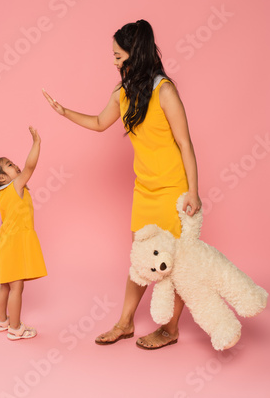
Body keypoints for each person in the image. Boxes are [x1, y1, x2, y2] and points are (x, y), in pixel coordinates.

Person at [42, 19, 201, 349]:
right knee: (140, 260)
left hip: (173, 190)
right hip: (144, 189)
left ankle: (170, 330)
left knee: (176, 263)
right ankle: (125, 323)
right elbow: (101, 123)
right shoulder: (123, 91)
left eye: (118, 55)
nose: (113, 61)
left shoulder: (165, 90)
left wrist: (194, 192)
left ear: (136, 54)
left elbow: (185, 143)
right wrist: (64, 112)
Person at [0, 126, 47, 341]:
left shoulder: (2, 194)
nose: (15, 165)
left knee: (5, 284)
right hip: (16, 243)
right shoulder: (15, 186)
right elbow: (30, 166)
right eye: (9, 165)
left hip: (6, 243)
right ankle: (15, 328)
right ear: (0, 177)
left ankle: (1, 321)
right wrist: (37, 144)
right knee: (17, 287)